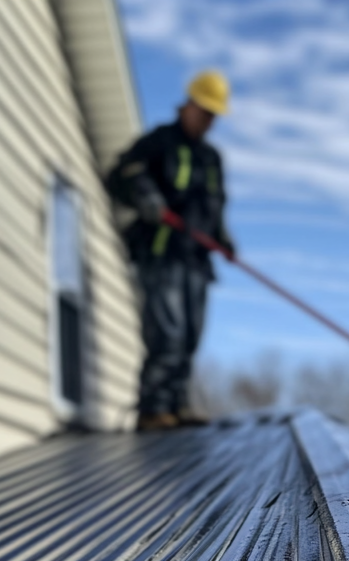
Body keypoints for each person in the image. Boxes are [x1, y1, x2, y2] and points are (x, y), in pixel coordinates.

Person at [106, 71, 235, 430]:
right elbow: (121, 176)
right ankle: (153, 409)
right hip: (162, 251)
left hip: (197, 257)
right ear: (189, 104)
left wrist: (223, 238)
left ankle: (176, 406)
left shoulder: (211, 158)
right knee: (168, 332)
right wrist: (144, 194)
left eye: (214, 115)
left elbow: (214, 207)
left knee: (191, 334)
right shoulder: (159, 142)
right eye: (204, 111)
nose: (208, 120)